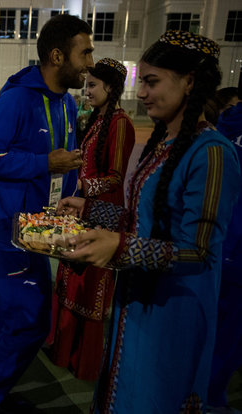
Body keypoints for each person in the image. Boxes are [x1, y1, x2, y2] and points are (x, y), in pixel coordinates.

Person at [58, 31, 240, 413]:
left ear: (189, 81)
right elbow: (142, 219)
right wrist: (90, 211)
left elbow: (198, 251)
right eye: (142, 81)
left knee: (151, 398)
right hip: (139, 299)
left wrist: (120, 247)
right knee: (120, 391)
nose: (141, 92)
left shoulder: (213, 153)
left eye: (152, 82)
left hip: (175, 310)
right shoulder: (165, 144)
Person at [0, 14, 92, 414]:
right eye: (84, 52)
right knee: (32, 320)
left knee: (5, 317)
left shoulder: (66, 101)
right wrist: (42, 162)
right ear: (56, 55)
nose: (89, 62)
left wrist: (69, 191)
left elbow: (59, 163)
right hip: (10, 229)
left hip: (46, 226)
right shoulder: (17, 99)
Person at [46, 57, 135, 381]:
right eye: (87, 85)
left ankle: (84, 361)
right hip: (84, 210)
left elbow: (114, 177)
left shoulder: (120, 122)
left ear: (111, 88)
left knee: (90, 289)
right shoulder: (99, 120)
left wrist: (82, 185)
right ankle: (64, 351)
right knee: (71, 279)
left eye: (93, 85)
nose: (87, 91)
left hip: (104, 217)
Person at [208, 85, 242, 413]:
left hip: (222, 247)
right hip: (229, 249)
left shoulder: (219, 134)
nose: (144, 93)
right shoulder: (211, 141)